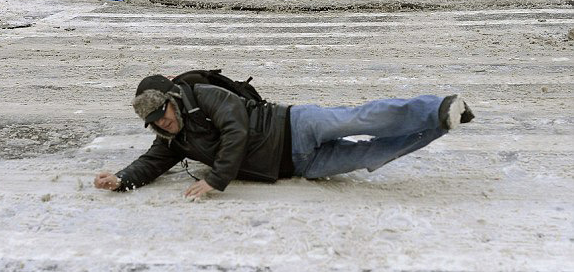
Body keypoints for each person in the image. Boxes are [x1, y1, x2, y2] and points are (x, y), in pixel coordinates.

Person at [94, 74, 475, 198]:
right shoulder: (171, 140)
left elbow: (236, 130)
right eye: (156, 123)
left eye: (164, 115)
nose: (164, 124)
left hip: (294, 125)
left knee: (360, 120)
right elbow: (152, 161)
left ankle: (436, 107)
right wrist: (123, 178)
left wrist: (215, 179)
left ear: (172, 101)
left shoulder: (206, 97)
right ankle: (441, 125)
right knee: (370, 156)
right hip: (298, 165)